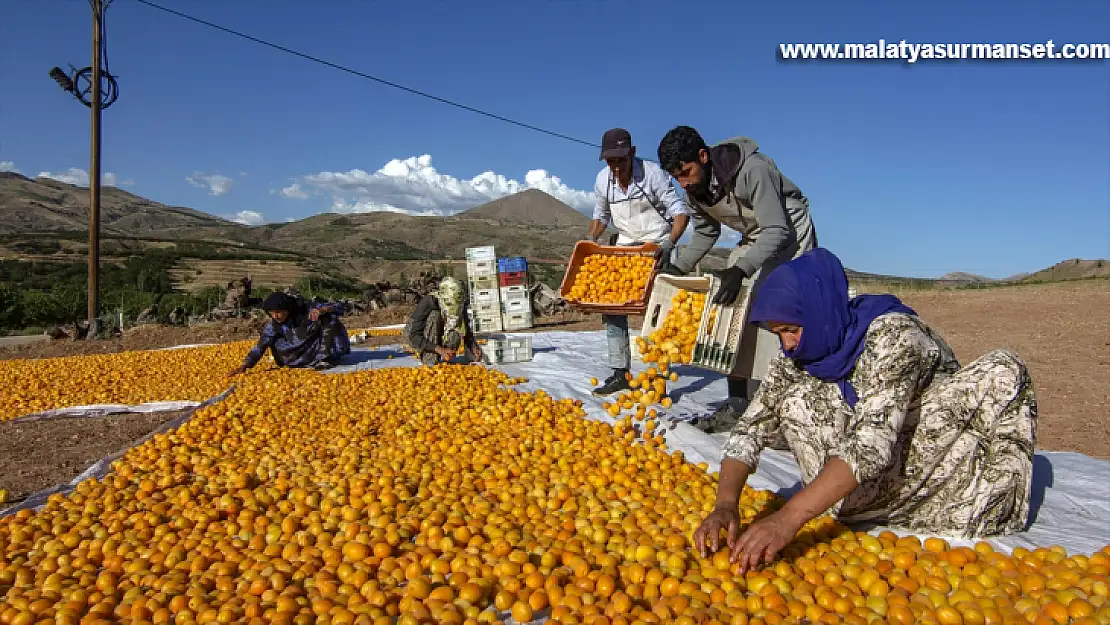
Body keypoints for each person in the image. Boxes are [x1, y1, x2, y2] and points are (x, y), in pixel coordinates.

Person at [693, 248, 1038, 573]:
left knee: (1004, 369)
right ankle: (845, 501)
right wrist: (726, 504)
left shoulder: (895, 336)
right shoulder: (799, 356)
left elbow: (871, 443)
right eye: (778, 333)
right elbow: (750, 428)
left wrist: (787, 519)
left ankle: (980, 505)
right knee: (795, 398)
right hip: (867, 469)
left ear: (819, 311)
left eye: (791, 330)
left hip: (922, 445)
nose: (787, 344)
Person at [656, 126, 819, 431]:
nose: (684, 183)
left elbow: (777, 230)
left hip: (790, 232)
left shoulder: (753, 170)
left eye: (687, 172)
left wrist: (741, 270)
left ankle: (784, 414)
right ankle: (738, 404)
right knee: (731, 310)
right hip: (757, 234)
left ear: (703, 157)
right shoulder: (695, 190)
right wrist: (679, 268)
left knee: (776, 311)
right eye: (676, 177)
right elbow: (706, 232)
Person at [587, 127, 692, 396]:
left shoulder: (653, 174)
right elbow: (601, 216)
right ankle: (619, 372)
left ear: (632, 153)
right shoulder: (602, 180)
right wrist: (590, 240)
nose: (617, 168)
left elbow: (680, 213)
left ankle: (659, 379)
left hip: (656, 244)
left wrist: (668, 244)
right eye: (611, 162)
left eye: (621, 161)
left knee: (657, 311)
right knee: (612, 307)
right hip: (625, 249)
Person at [228, 292, 351, 376]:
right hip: (295, 357)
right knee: (270, 337)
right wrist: (245, 365)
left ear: (288, 309)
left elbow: (341, 307)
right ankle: (309, 361)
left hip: (315, 348)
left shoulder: (307, 311)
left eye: (279, 312)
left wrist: (323, 310)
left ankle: (325, 359)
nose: (276, 316)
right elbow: (260, 346)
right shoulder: (273, 325)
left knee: (329, 318)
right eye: (272, 313)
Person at [404, 276, 483, 366]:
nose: (453, 307)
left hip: (442, 332)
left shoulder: (459, 303)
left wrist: (472, 346)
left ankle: (448, 353)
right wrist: (439, 349)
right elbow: (414, 336)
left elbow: (466, 329)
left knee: (456, 319)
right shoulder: (429, 302)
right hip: (417, 337)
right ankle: (430, 355)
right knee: (435, 315)